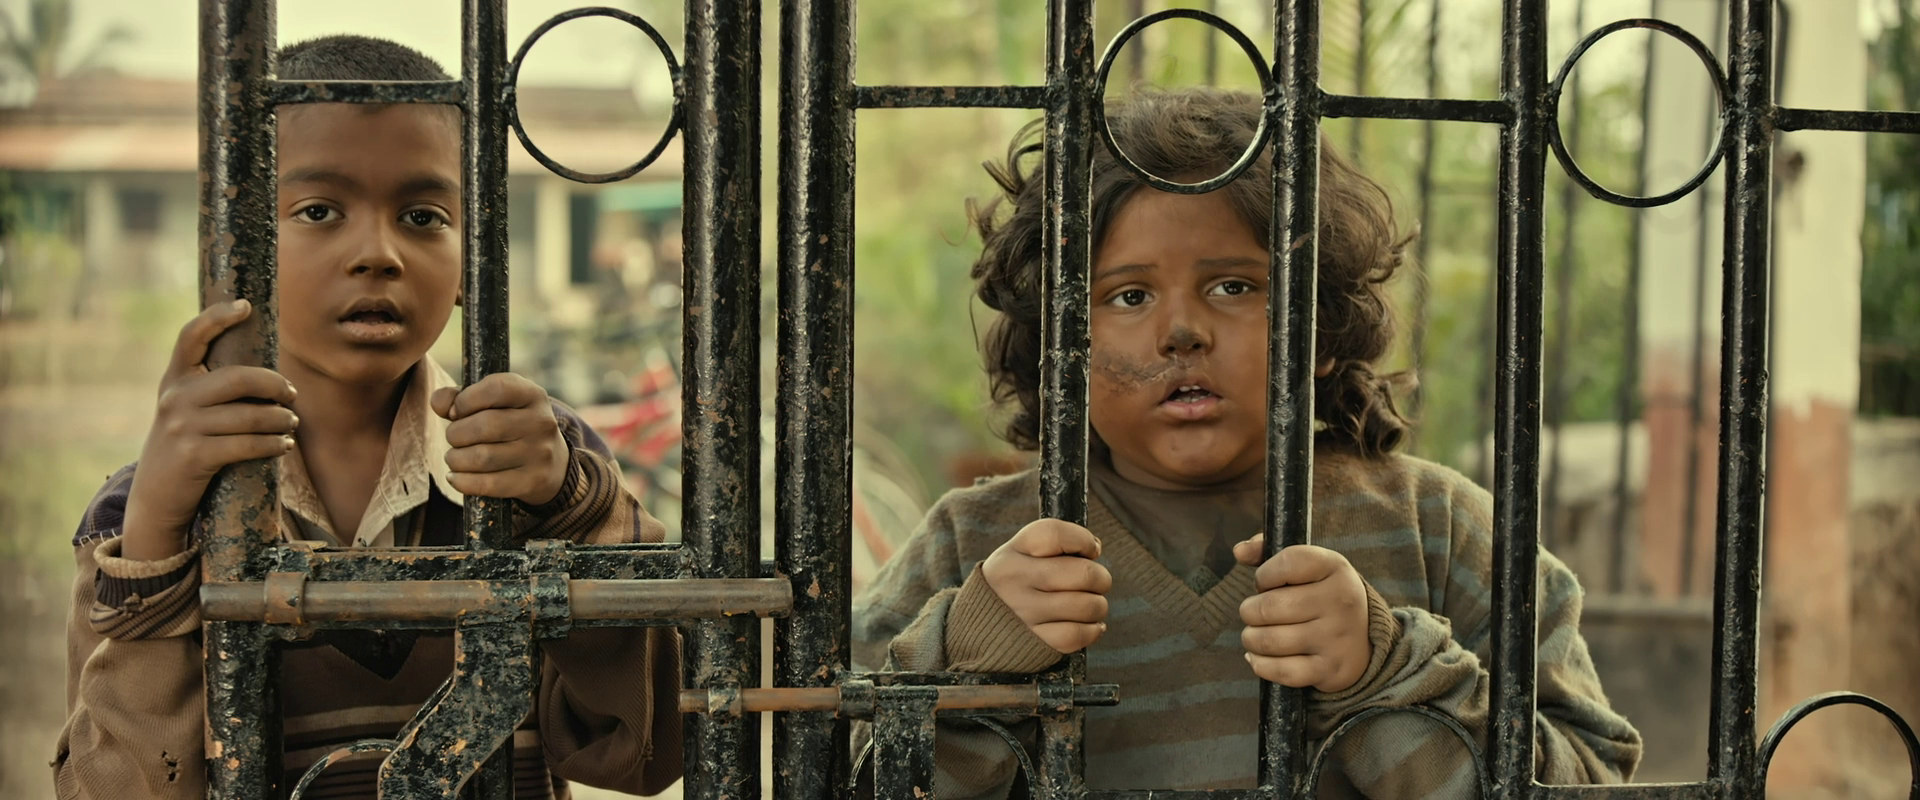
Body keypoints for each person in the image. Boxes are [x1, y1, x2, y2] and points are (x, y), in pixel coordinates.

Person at [852, 88, 1642, 797]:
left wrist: (1385, 669)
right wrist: (971, 660)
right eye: (1129, 295)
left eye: (1234, 286)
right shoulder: (973, 545)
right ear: (1062, 345)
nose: (1182, 331)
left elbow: (1592, 776)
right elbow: (828, 768)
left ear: (1320, 326)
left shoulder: (1441, 530)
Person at [52, 35, 682, 799]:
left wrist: (569, 508)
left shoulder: (539, 462)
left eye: (422, 215)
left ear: (472, 262)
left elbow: (650, 755)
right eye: (319, 210)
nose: (378, 252)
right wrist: (156, 537)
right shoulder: (139, 515)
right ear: (233, 247)